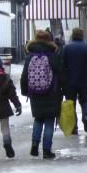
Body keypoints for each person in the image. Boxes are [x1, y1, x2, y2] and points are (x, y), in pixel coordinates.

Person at [20, 28, 66, 159]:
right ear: (48, 40)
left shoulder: (30, 56)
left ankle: (34, 145)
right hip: (52, 92)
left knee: (38, 119)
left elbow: (24, 76)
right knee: (50, 121)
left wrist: (25, 91)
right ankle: (47, 150)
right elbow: (61, 75)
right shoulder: (53, 56)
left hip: (35, 93)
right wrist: (65, 90)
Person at [61, 27, 87, 133]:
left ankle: (74, 126)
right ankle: (86, 116)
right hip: (85, 81)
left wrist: (63, 80)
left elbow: (61, 66)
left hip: (70, 82)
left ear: (73, 35)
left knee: (71, 102)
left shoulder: (66, 49)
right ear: (82, 36)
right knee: (85, 100)